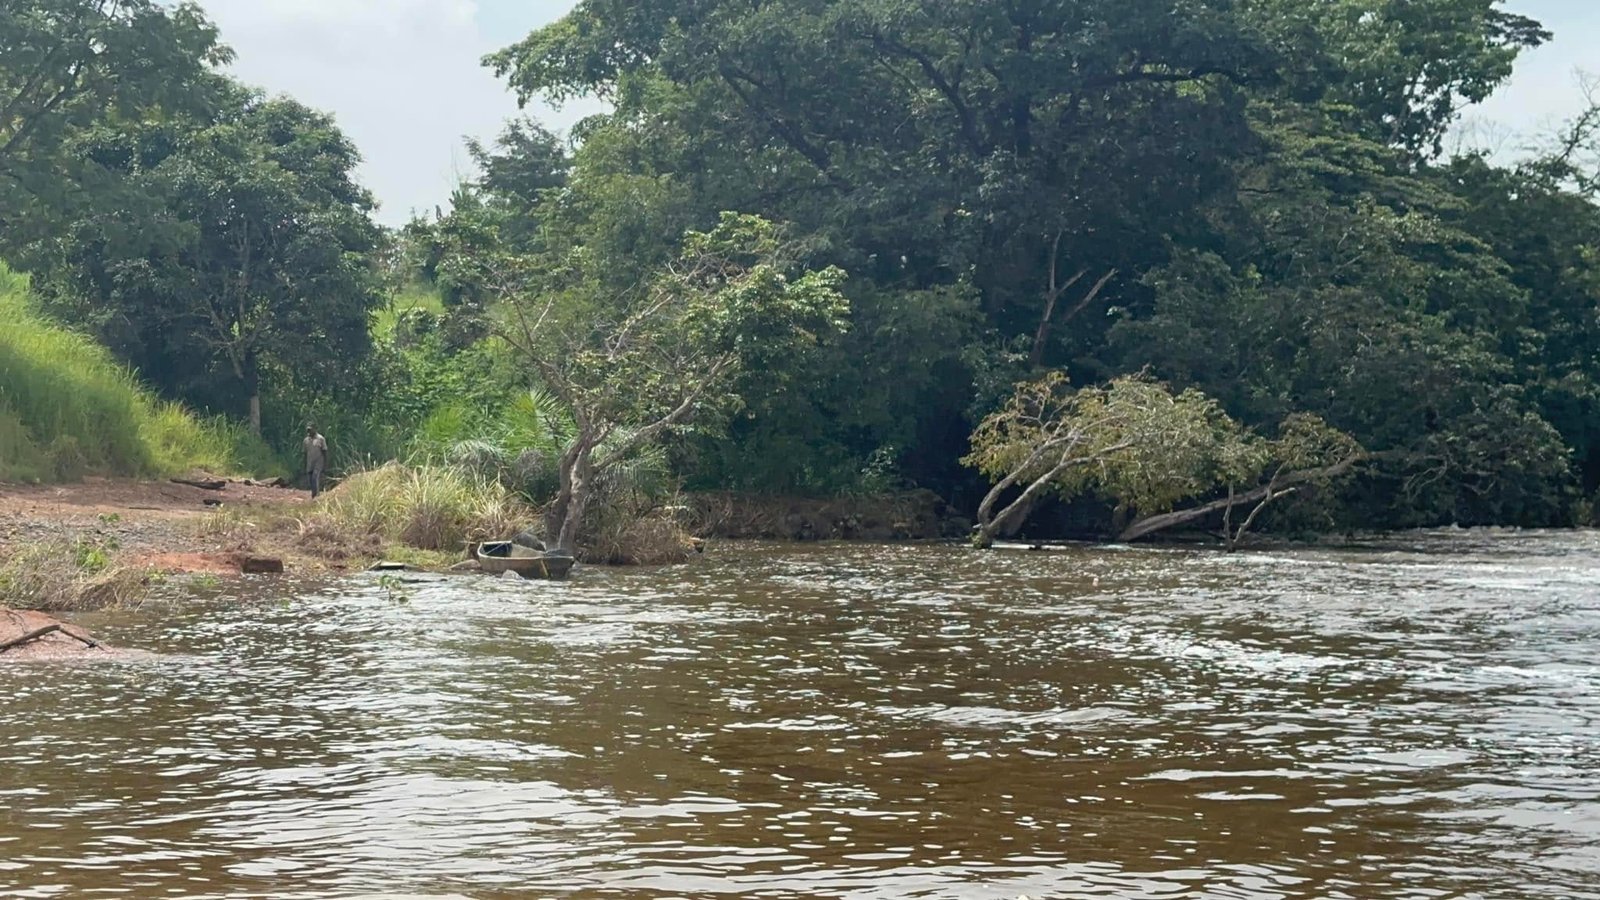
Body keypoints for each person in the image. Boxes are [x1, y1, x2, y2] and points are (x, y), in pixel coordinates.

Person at [303, 425, 328, 499]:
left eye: (310, 430)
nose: (309, 432)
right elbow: (304, 453)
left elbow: (325, 451)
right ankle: (314, 494)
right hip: (310, 462)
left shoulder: (320, 439)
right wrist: (304, 464)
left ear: (314, 429)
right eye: (308, 430)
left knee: (315, 477)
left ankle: (315, 495)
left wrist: (325, 463)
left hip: (318, 462)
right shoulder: (306, 440)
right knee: (310, 479)